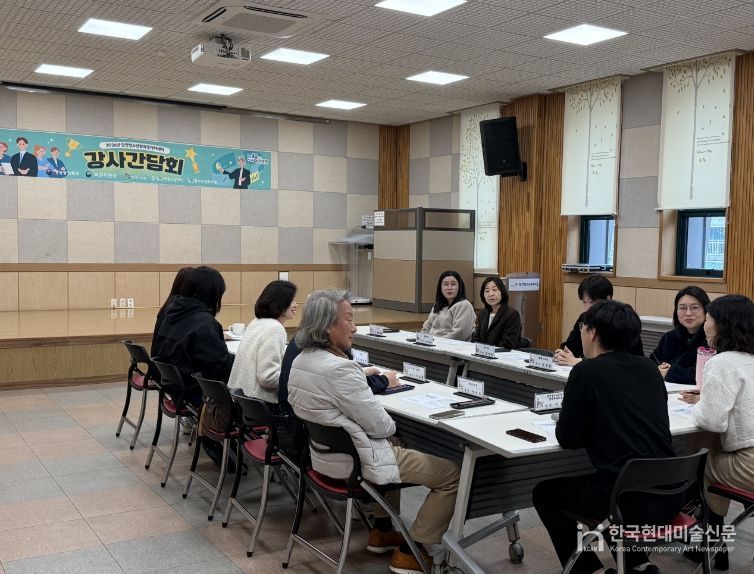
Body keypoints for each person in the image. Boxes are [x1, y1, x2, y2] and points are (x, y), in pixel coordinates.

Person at [288, 289, 460, 574]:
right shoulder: (340, 370)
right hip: (359, 462)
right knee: (452, 475)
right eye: (349, 319)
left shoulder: (301, 361)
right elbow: (381, 426)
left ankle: (382, 530)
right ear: (328, 327)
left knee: (396, 442)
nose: (355, 327)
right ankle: (412, 551)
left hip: (324, 458)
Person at [533, 300, 681, 574]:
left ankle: (592, 571)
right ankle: (638, 565)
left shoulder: (586, 371)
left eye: (583, 326)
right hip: (671, 492)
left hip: (627, 500)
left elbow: (567, 438)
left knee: (544, 493)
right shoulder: (649, 368)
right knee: (613, 484)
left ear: (593, 333)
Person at [680, 295, 754, 568]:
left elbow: (712, 422)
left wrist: (699, 406)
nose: (705, 324)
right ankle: (715, 547)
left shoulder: (722, 362)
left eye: (708, 318)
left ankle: (712, 547)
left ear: (722, 325)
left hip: (748, 465)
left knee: (701, 461)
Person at [151, 266, 234, 406]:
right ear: (212, 294)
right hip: (194, 392)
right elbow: (218, 367)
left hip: (173, 387)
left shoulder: (171, 311)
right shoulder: (204, 323)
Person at [227, 280, 298, 405]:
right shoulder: (275, 329)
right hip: (258, 403)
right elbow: (268, 378)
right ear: (280, 303)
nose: (296, 305)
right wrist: (295, 379)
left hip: (240, 399)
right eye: (292, 300)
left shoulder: (256, 322)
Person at [555, 275, 643, 365]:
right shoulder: (584, 318)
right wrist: (563, 354)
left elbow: (622, 360)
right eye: (584, 302)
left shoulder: (621, 321)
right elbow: (570, 346)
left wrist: (580, 361)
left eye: (592, 302)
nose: (588, 307)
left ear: (608, 299)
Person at [652, 286, 710, 385]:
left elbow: (703, 374)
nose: (688, 313)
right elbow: (653, 362)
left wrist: (670, 372)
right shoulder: (669, 337)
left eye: (694, 308)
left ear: (706, 310)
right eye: (683, 308)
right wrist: (658, 369)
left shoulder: (712, 339)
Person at [421, 270, 475, 341]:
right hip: (433, 343)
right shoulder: (438, 304)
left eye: (453, 284)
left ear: (459, 286)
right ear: (440, 287)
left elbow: (459, 334)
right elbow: (427, 327)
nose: (449, 288)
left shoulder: (464, 305)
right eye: (446, 284)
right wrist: (422, 339)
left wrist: (437, 342)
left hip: (451, 345)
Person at [472, 276, 523, 349]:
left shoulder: (512, 315)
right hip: (482, 354)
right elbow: (476, 339)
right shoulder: (483, 313)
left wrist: (486, 350)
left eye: (494, 290)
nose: (491, 294)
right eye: (487, 291)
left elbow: (507, 345)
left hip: (502, 355)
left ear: (502, 291)